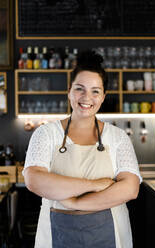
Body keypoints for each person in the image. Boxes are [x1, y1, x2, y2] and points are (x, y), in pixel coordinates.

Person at [23, 50, 142, 248]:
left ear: (103, 96)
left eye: (95, 91)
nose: (87, 97)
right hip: (56, 237)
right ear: (69, 91)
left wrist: (75, 203)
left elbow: (130, 188)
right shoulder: (46, 134)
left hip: (110, 235)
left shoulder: (117, 137)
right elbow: (34, 180)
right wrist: (94, 185)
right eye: (80, 89)